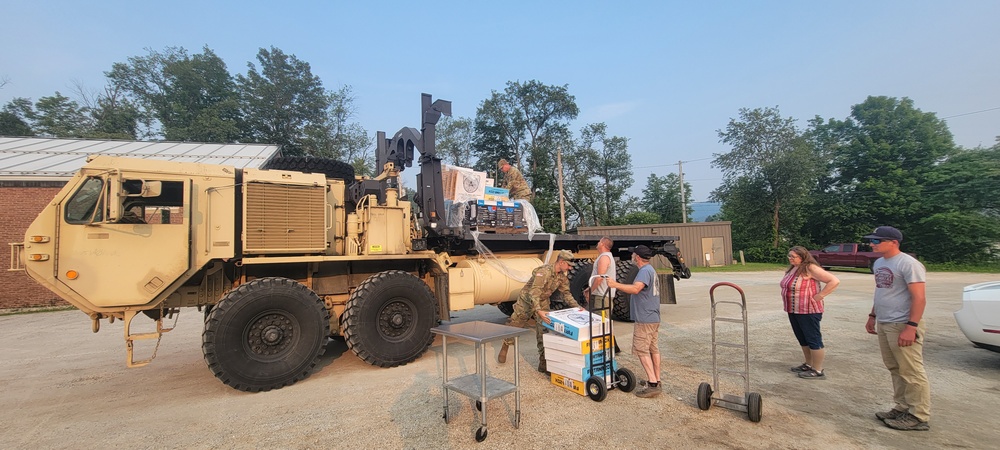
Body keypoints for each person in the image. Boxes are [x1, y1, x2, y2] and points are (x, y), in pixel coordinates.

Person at [863, 226, 930, 431]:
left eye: (877, 241)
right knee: (895, 368)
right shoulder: (880, 262)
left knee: (911, 370)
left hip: (902, 323)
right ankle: (902, 407)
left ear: (894, 242)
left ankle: (918, 415)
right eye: (872, 241)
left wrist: (911, 327)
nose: (872, 244)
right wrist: (873, 315)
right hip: (885, 322)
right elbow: (881, 291)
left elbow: (919, 298)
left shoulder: (909, 264)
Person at [497, 249, 580, 374]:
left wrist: (577, 307)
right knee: (515, 325)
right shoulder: (544, 272)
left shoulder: (562, 277)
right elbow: (533, 292)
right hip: (527, 300)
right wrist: (538, 311)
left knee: (543, 330)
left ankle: (543, 363)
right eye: (568, 265)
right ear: (561, 262)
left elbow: (566, 294)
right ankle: (505, 345)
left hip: (542, 300)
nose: (569, 267)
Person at [607, 245, 661, 398]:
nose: (631, 256)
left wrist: (615, 285)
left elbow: (636, 289)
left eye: (633, 254)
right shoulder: (651, 270)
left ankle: (652, 384)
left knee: (642, 350)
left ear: (637, 257)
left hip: (645, 318)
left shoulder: (644, 272)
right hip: (653, 317)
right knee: (653, 349)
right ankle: (657, 379)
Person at [782, 246, 840, 379]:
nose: (790, 258)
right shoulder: (794, 268)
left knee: (813, 338)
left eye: (793, 256)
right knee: (802, 338)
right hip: (794, 309)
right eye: (789, 256)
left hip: (808, 310)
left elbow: (834, 281)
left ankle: (818, 369)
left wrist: (820, 295)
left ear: (802, 257)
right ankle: (808, 364)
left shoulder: (810, 268)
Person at [583, 236, 622, 354]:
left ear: (604, 244)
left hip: (601, 295)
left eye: (599, 241)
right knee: (604, 321)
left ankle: (605, 350)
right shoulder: (605, 257)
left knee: (600, 322)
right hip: (602, 294)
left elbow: (599, 278)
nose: (597, 243)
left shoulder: (604, 257)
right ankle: (613, 347)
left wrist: (590, 290)